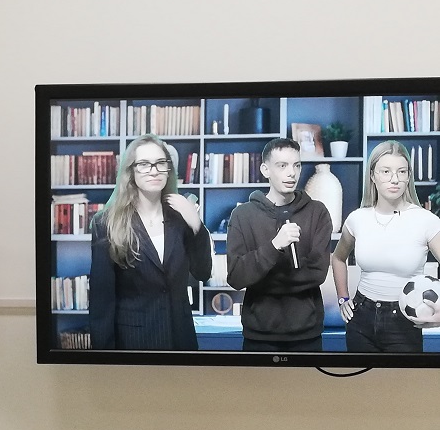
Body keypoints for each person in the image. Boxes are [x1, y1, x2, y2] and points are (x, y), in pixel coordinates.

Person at [89, 134, 212, 350]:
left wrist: (197, 226)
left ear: (168, 169)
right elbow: (102, 301)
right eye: (144, 164)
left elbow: (203, 272)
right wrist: (105, 358)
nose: (154, 171)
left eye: (160, 163)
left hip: (181, 340)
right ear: (131, 171)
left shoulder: (182, 217)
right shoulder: (106, 223)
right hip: (133, 344)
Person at [331, 140, 440, 351]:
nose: (395, 179)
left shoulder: (426, 221)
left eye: (402, 172)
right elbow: (338, 258)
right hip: (360, 318)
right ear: (372, 175)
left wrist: (438, 313)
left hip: (405, 321)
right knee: (359, 374)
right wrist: (343, 298)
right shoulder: (357, 219)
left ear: (409, 176)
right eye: (386, 171)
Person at [226, 138, 332, 351]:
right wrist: (274, 246)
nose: (291, 173)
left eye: (296, 165)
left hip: (307, 335)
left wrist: (260, 280)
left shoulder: (317, 212)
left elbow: (318, 274)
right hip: (259, 336)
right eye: (282, 166)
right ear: (265, 170)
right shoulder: (242, 215)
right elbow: (236, 277)